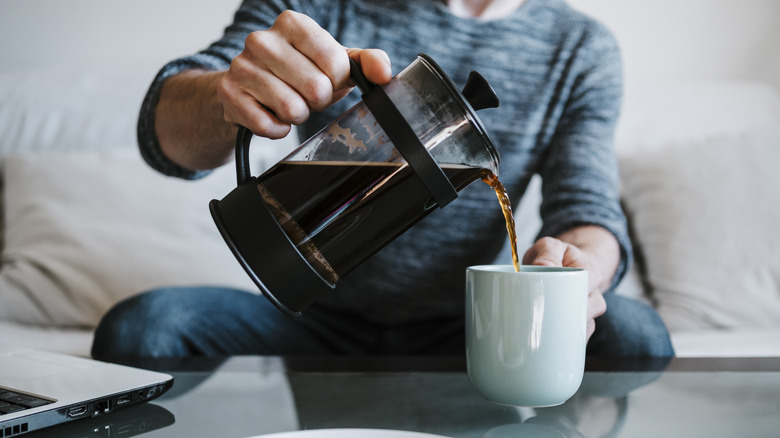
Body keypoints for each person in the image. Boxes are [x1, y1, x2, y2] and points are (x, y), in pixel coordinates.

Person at [91, 0, 674, 358]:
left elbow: (589, 211)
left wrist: (576, 272)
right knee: (144, 327)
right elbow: (165, 135)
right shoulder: (325, 2)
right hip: (310, 310)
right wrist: (231, 97)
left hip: (472, 324)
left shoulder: (580, 47)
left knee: (634, 334)